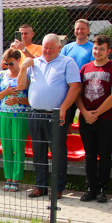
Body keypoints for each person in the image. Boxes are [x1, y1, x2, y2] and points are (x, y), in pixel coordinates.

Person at [17, 34, 81, 197]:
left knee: (57, 152)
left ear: (59, 48)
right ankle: (41, 185)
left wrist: (64, 108)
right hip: (35, 114)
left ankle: (58, 188)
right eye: (45, 47)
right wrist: (23, 68)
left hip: (56, 115)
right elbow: (21, 85)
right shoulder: (35, 62)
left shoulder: (67, 63)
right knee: (38, 151)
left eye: (51, 48)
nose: (47, 51)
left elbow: (75, 87)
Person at [75, 34, 112, 203]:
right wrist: (86, 112)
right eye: (95, 48)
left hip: (106, 119)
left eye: (101, 49)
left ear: (108, 50)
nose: (97, 52)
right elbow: (77, 93)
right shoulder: (85, 68)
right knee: (89, 155)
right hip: (86, 118)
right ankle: (91, 189)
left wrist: (97, 113)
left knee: (104, 154)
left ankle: (103, 189)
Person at [0, 49, 30, 192]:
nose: (9, 66)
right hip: (3, 114)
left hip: (20, 114)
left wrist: (18, 100)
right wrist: (6, 92)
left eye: (11, 63)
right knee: (6, 146)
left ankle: (16, 179)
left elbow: (32, 99)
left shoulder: (26, 74)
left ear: (19, 60)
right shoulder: (0, 76)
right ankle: (7, 178)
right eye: (6, 63)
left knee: (18, 147)